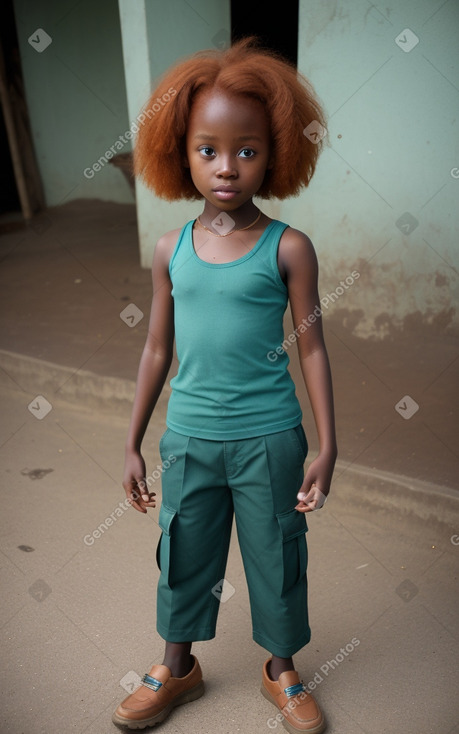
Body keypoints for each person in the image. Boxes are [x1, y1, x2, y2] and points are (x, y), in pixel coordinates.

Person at [112, 37, 337, 734]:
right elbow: (156, 347)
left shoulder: (288, 247)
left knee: (276, 548)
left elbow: (314, 348)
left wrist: (328, 445)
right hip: (189, 437)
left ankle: (282, 670)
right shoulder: (169, 249)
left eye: (246, 150)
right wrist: (133, 442)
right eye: (207, 148)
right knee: (184, 547)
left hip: (270, 436)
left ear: (274, 155)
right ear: (180, 152)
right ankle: (177, 666)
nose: (226, 167)